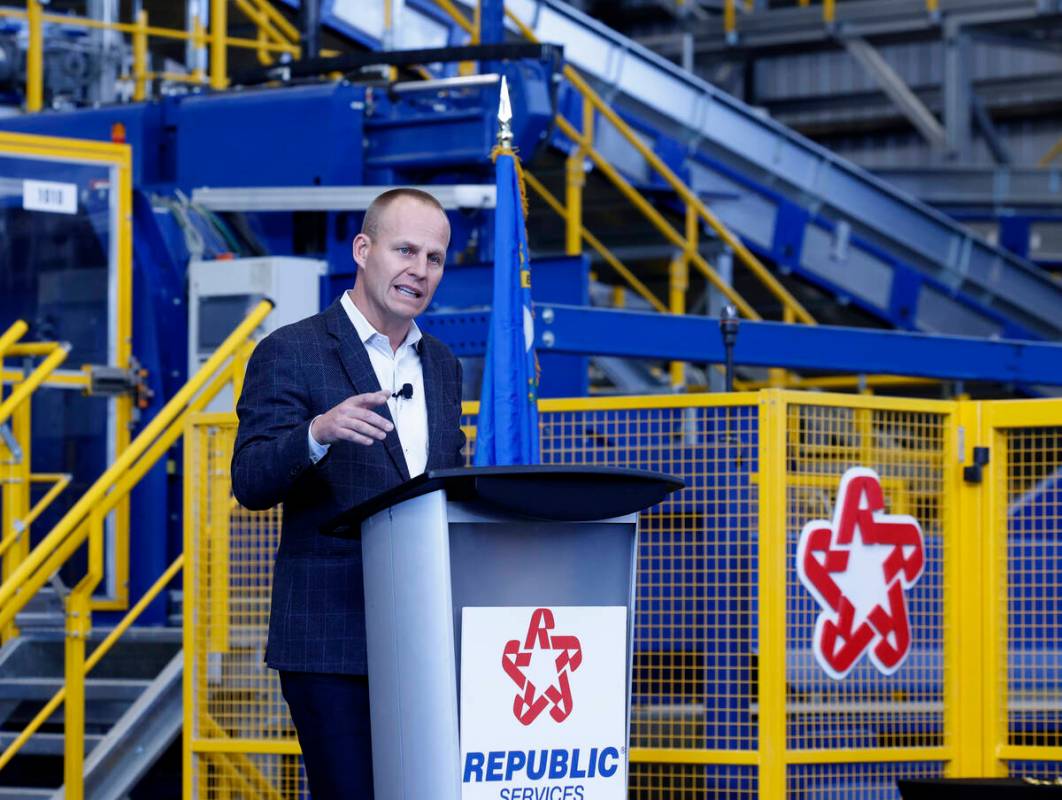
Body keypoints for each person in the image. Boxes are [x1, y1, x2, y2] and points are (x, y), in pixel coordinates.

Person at [231, 188, 466, 799]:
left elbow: (445, 479)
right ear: (364, 250)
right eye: (406, 249)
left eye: (435, 258)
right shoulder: (290, 351)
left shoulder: (440, 364)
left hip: (429, 633)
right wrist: (316, 433)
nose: (420, 269)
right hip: (330, 638)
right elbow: (251, 481)